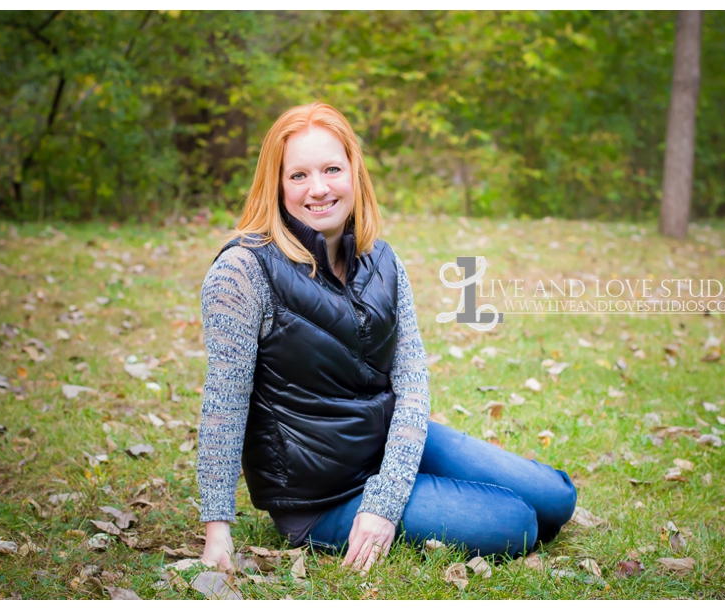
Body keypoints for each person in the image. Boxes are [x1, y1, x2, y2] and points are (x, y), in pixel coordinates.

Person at [197, 102, 577, 574]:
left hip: (386, 447)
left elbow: (413, 383)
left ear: (355, 173)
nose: (318, 188)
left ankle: (416, 487)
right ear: (275, 184)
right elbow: (223, 405)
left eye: (332, 169)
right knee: (517, 524)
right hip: (320, 495)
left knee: (558, 499)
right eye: (298, 175)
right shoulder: (243, 271)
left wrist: (388, 493)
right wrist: (218, 530)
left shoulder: (384, 262)